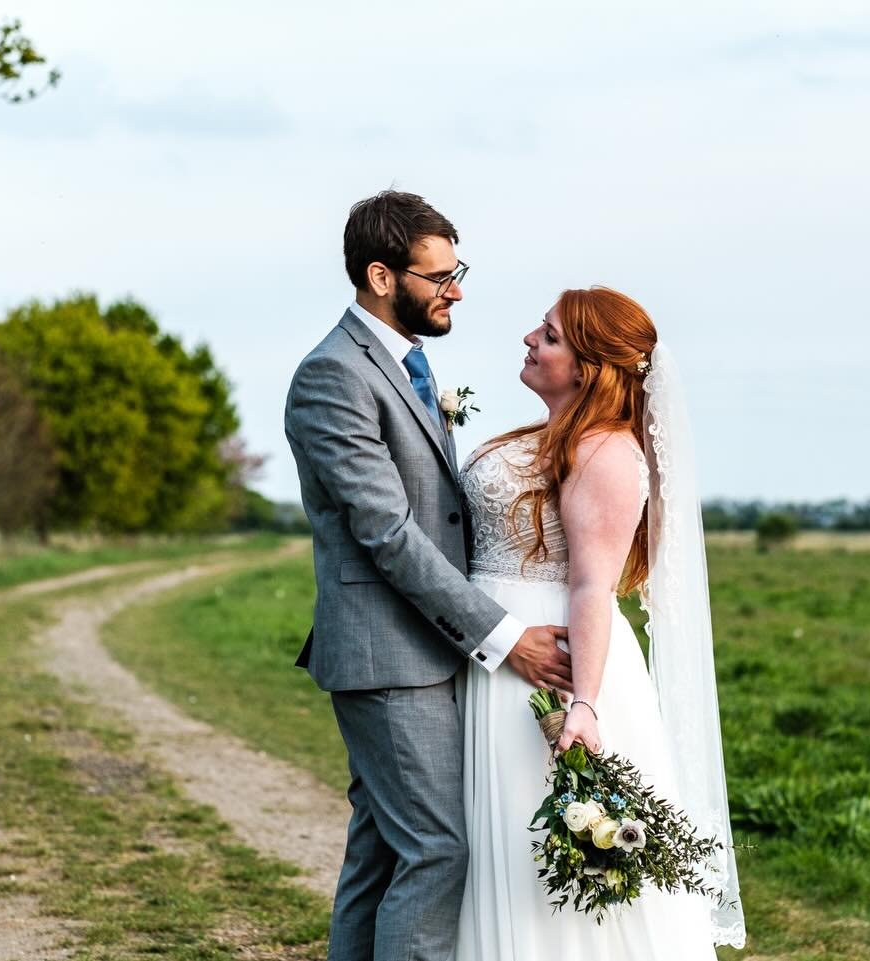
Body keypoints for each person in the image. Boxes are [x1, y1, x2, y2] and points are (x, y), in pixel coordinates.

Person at [284, 189, 572, 961]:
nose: (457, 289)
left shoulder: (405, 364)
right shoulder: (333, 377)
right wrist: (505, 635)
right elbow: (388, 533)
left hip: (422, 648)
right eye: (439, 275)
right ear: (382, 276)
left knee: (382, 851)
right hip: (387, 655)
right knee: (438, 850)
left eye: (457, 270)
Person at [453, 287, 746, 958]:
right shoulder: (545, 436)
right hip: (495, 652)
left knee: (541, 860)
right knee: (491, 846)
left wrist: (583, 703)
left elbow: (591, 585)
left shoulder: (607, 452)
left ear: (588, 367)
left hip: (550, 673)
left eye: (550, 335)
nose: (530, 337)